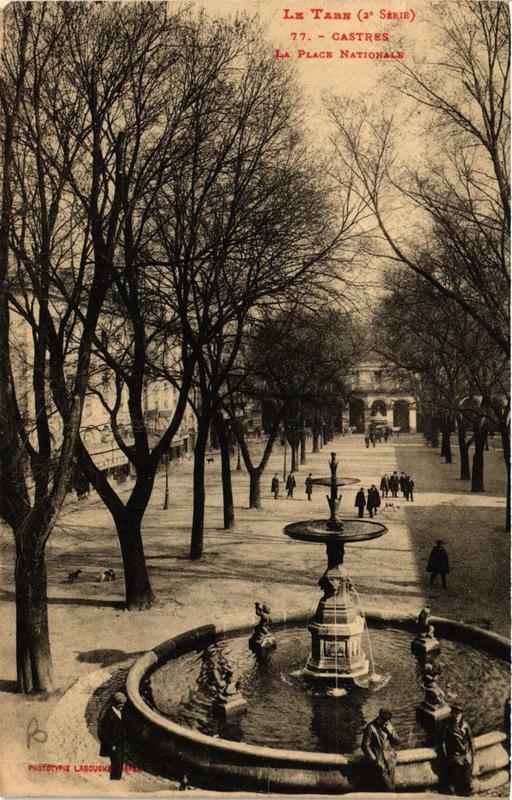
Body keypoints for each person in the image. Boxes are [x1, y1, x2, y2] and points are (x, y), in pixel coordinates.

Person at [440, 705, 476, 796]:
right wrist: (446, 757)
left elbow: (471, 740)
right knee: (457, 777)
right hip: (454, 756)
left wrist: (473, 755)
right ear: (451, 714)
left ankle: (467, 793)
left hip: (465, 755)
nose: (457, 717)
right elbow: (443, 743)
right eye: (455, 715)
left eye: (459, 715)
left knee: (467, 777)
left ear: (461, 715)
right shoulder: (447, 727)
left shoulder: (465, 725)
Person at [361, 708, 400, 791]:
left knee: (391, 783)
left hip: (390, 759)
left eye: (388, 721)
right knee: (388, 786)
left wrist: (391, 731)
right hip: (378, 760)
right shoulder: (370, 727)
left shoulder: (388, 726)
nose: (386, 723)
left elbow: (397, 742)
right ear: (380, 718)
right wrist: (374, 760)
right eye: (385, 720)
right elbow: (365, 746)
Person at [99, 691, 127, 780]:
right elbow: (103, 733)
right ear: (115, 703)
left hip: (120, 744)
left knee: (120, 764)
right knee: (116, 765)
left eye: (123, 705)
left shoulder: (119, 711)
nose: (122, 707)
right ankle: (115, 780)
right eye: (121, 705)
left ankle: (116, 778)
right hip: (114, 746)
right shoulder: (108, 716)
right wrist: (111, 745)